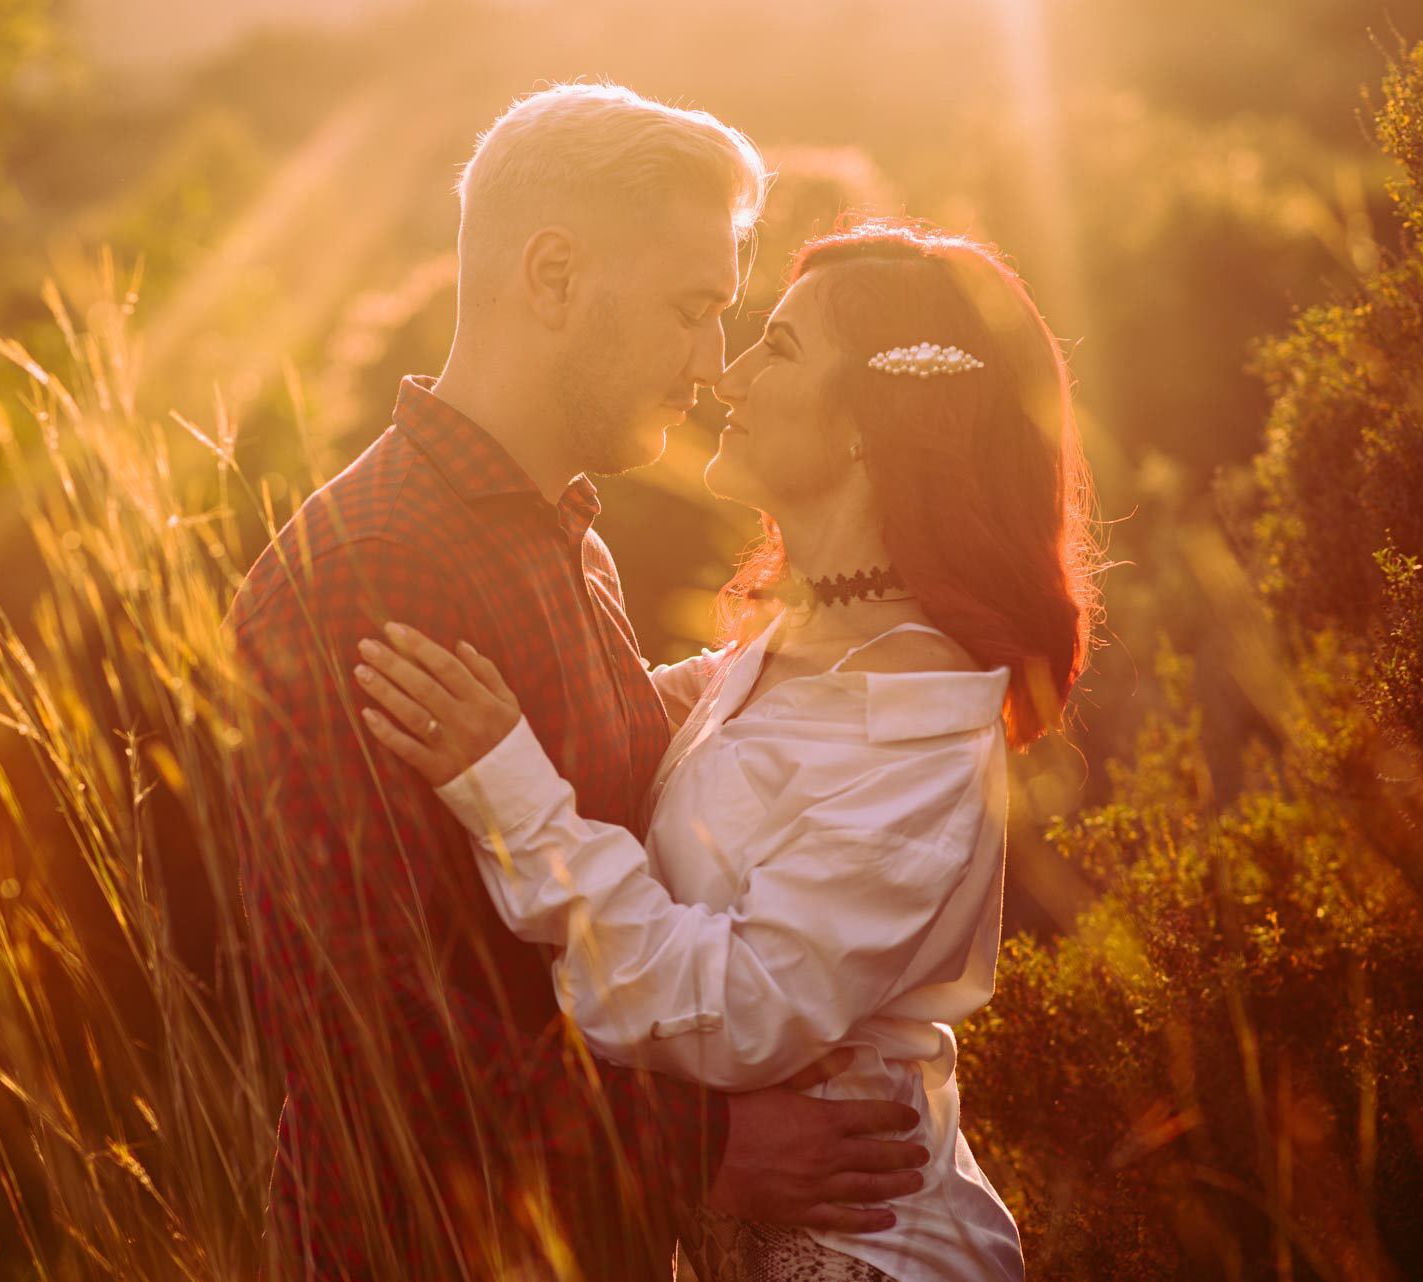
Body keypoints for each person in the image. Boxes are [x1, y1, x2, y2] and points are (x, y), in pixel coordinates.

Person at [227, 85, 931, 1280]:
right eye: (691, 310)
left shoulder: (562, 534)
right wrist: (699, 1145)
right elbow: (363, 1027)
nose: (716, 363)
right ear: (552, 277)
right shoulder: (373, 570)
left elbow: (598, 768)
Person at [352, 216, 1100, 1281]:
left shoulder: (916, 715)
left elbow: (736, 1014)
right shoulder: (784, 649)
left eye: (779, 348)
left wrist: (501, 779)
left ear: (867, 424)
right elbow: (615, 726)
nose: (728, 374)